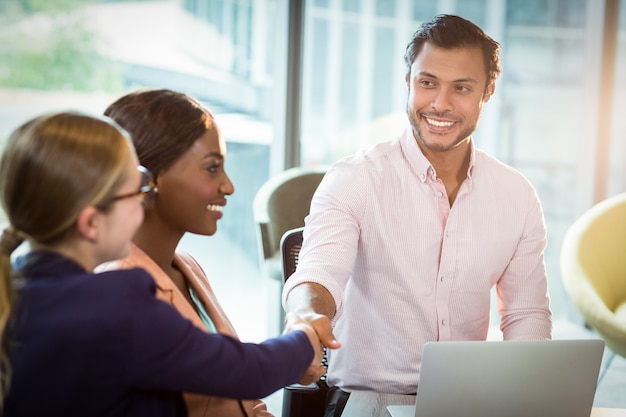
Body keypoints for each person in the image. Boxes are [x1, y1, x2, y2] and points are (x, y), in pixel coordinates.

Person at [282, 14, 553, 416]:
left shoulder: (517, 196)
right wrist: (304, 316)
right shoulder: (355, 179)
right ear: (408, 81)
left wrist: (529, 398)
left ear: (488, 91)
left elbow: (526, 313)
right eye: (427, 83)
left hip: (466, 402)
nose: (440, 104)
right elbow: (319, 273)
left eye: (462, 88)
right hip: (368, 399)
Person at [0, 112, 326, 416]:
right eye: (137, 192)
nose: (145, 202)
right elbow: (244, 372)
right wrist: (304, 336)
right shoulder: (115, 304)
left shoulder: (17, 286)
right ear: (91, 223)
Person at [97, 88, 316, 417]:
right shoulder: (117, 285)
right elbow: (245, 373)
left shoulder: (188, 267)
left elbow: (240, 402)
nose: (228, 186)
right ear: (145, 177)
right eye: (212, 168)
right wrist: (304, 340)